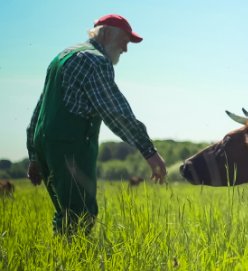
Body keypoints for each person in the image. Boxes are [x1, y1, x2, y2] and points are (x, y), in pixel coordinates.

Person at [26, 14, 167, 234]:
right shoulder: (95, 61)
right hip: (70, 147)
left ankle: (60, 260)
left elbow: (40, 110)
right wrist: (149, 151)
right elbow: (115, 112)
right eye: (125, 41)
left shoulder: (62, 56)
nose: (126, 49)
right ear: (107, 33)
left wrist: (34, 155)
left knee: (65, 212)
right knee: (81, 215)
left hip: (46, 144)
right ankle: (73, 264)